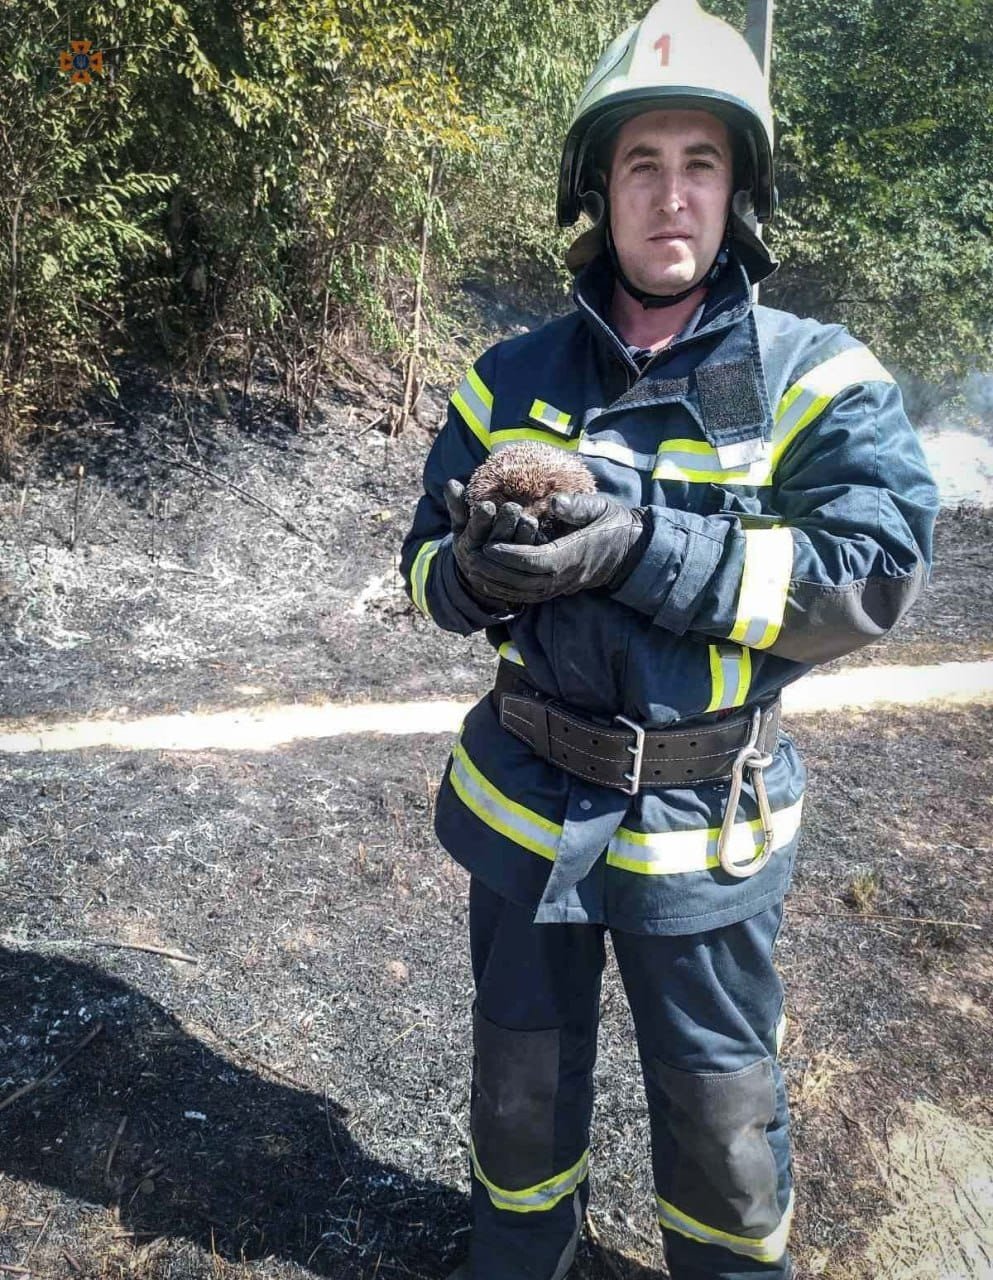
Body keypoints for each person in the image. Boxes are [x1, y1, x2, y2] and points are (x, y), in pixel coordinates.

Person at [400, 2, 939, 1277]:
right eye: (641, 163)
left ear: (738, 188)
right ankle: (519, 1260)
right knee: (519, 1097)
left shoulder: (818, 378)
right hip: (525, 807)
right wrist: (468, 578)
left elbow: (873, 570)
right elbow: (419, 555)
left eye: (701, 162)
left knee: (722, 1123)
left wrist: (639, 546)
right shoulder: (508, 379)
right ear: (599, 187)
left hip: (709, 829)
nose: (671, 195)